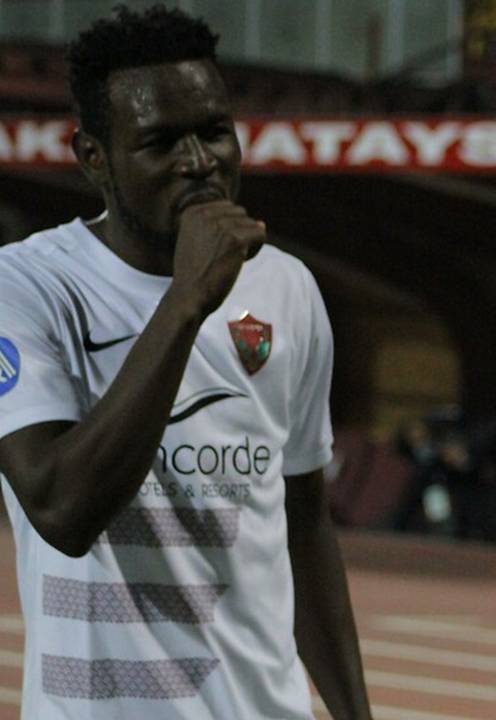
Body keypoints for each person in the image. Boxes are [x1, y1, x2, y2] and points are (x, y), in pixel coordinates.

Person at [0, 6, 371, 719]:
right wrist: (185, 301)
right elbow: (61, 508)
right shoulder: (26, 289)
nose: (199, 161)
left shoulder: (287, 289)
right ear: (93, 158)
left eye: (214, 131)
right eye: (161, 142)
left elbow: (304, 525)